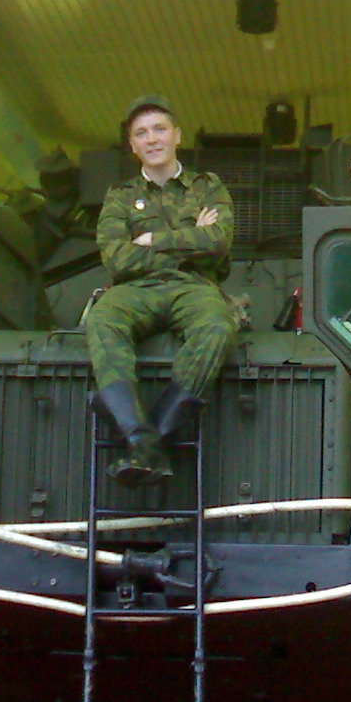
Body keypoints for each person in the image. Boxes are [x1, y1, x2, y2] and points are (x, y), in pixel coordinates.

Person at [85, 95, 236, 487]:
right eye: (141, 133)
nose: (151, 139)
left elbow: (219, 241)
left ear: (177, 136)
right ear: (132, 146)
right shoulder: (120, 195)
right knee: (103, 319)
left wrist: (154, 239)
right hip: (137, 290)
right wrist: (190, 240)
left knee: (217, 327)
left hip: (194, 288)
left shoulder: (207, 187)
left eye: (159, 129)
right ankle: (142, 438)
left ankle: (149, 443)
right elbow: (117, 260)